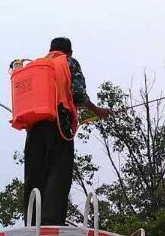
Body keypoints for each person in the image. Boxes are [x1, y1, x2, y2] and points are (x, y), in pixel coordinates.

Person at [23, 36, 110, 225]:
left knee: (35, 173)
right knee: (59, 171)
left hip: (34, 127)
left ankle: (31, 221)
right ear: (69, 52)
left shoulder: (38, 66)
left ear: (50, 50)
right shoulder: (68, 62)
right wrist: (98, 111)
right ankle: (51, 221)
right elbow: (78, 95)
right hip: (59, 125)